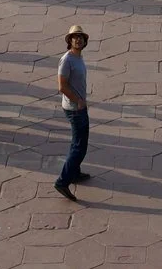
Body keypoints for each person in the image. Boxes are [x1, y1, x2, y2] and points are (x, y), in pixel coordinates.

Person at [54, 25, 92, 196]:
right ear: (69, 41)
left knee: (78, 142)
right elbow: (62, 86)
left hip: (79, 106)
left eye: (80, 37)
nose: (78, 39)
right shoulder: (67, 59)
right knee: (79, 147)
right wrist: (78, 101)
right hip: (75, 108)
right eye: (75, 37)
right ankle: (62, 181)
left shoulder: (78, 57)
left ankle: (74, 173)